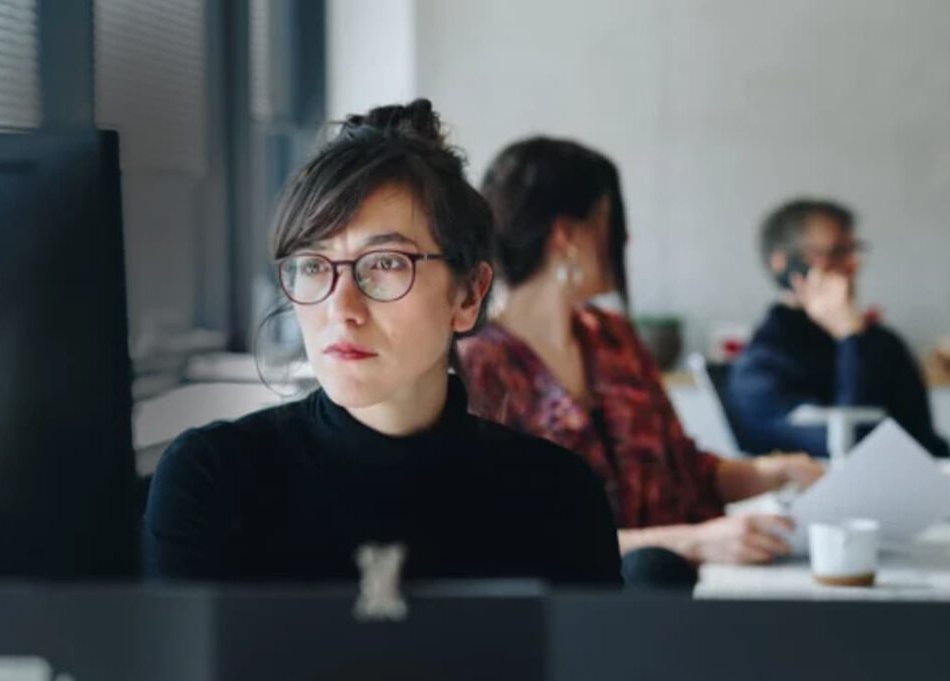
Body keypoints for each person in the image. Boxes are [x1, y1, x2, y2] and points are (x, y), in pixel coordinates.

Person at [143, 101, 622, 585]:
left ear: (468, 294)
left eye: (386, 263)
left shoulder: (557, 497)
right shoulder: (215, 480)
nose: (342, 306)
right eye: (312, 265)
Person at [458, 137, 823, 573]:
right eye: (611, 221)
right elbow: (515, 539)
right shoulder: (478, 366)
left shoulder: (614, 340)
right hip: (570, 619)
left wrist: (774, 471)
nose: (625, 239)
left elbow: (684, 473)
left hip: (679, 596)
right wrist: (691, 542)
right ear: (566, 235)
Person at [727, 199, 950, 459]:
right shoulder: (763, 365)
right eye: (835, 253)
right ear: (784, 264)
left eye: (853, 250)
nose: (852, 265)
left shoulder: (883, 344)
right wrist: (848, 337)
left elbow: (926, 442)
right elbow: (852, 450)